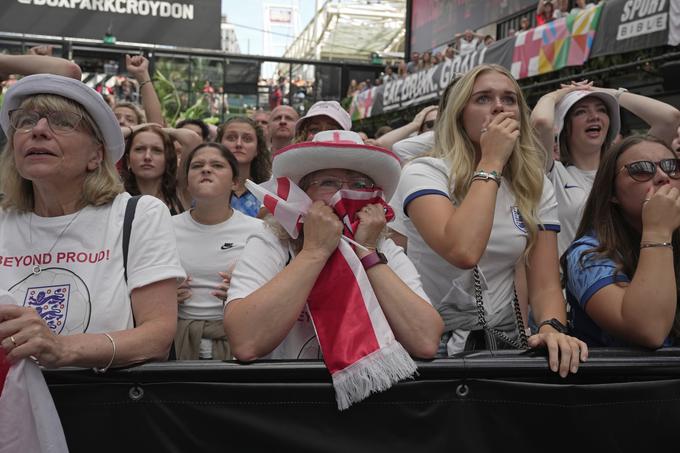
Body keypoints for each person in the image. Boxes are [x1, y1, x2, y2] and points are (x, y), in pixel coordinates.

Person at [392, 64, 587, 377]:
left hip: (500, 345)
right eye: (483, 98)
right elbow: (463, 251)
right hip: (427, 346)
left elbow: (546, 283)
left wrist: (551, 326)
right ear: (459, 114)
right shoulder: (424, 172)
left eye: (509, 99)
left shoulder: (534, 184)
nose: (499, 106)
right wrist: (492, 160)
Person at [0, 74, 185, 370]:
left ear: (96, 156)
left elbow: (157, 337)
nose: (38, 130)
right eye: (25, 120)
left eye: (62, 122)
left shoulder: (138, 215)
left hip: (97, 409)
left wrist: (62, 349)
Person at [224, 129, 443, 362]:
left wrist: (367, 252)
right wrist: (313, 252)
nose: (343, 193)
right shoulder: (272, 241)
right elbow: (246, 342)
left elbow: (426, 341)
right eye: (329, 182)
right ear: (304, 194)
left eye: (359, 184)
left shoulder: (383, 248)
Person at [531, 82, 680, 256]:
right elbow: (541, 122)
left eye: (602, 110)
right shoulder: (552, 173)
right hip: (579, 280)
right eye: (581, 112)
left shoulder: (629, 167)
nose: (594, 116)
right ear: (564, 127)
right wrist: (559, 93)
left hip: (638, 273)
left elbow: (669, 118)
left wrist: (604, 91)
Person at [563, 135, 680, 348]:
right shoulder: (587, 254)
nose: (663, 176)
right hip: (627, 380)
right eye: (641, 169)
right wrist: (657, 231)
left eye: (672, 166)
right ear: (612, 193)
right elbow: (649, 330)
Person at [173, 142, 265, 360]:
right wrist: (163, 296)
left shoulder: (258, 231)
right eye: (196, 166)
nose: (206, 169)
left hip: (239, 345)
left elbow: (276, 292)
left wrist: (248, 291)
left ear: (234, 182)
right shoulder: (162, 227)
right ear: (187, 182)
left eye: (217, 165)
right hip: (175, 345)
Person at [120, 125, 186, 215]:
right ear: (128, 160)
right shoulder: (117, 195)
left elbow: (192, 139)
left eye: (157, 150)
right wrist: (133, 129)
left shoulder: (180, 193)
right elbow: (102, 139)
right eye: (140, 149)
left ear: (167, 159)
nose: (147, 157)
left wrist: (160, 129)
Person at [217, 116, 271, 217]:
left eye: (247, 139)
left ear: (257, 150)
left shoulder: (268, 193)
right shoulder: (206, 187)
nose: (238, 144)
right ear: (219, 144)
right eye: (231, 138)